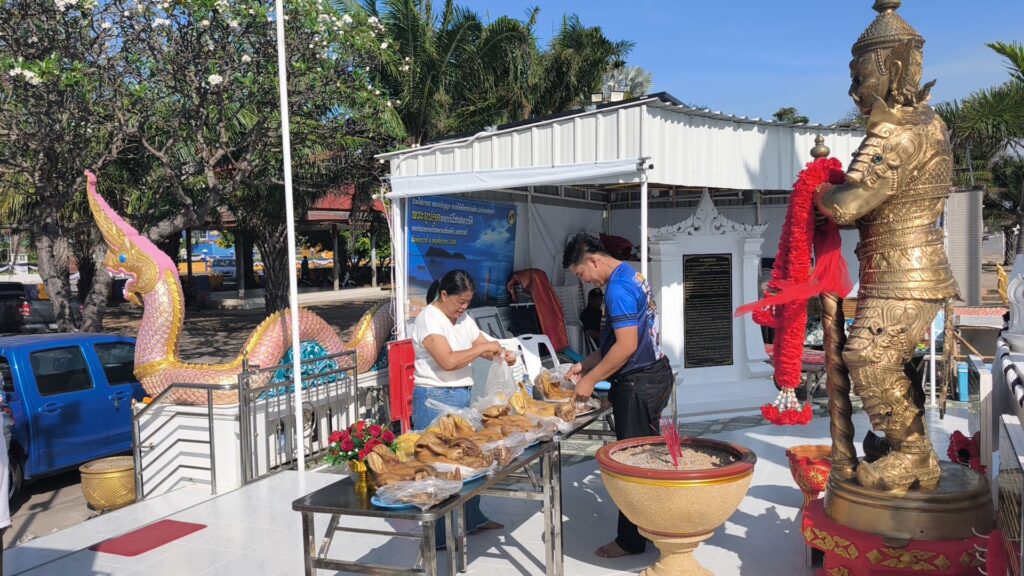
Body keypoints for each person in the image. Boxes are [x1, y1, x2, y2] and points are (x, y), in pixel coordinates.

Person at [814, 1, 956, 492]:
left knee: (868, 357)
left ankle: (912, 453)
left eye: (861, 77)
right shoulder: (919, 123)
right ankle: (901, 442)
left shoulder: (900, 132)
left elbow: (848, 206)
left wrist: (817, 189)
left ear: (893, 67)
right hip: (893, 267)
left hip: (907, 271)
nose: (855, 90)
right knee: (886, 359)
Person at [562, 233, 673, 558]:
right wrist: (584, 366)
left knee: (631, 463)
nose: (584, 280)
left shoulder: (618, 290)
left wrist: (590, 381)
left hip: (639, 383)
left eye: (581, 273)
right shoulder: (629, 275)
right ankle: (650, 525)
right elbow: (614, 343)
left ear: (593, 260)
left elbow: (625, 348)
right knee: (645, 456)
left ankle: (631, 540)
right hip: (652, 374)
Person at [412, 269, 515, 548]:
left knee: (468, 460)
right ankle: (438, 536)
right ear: (444, 295)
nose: (464, 307)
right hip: (434, 397)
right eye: (460, 302)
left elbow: (482, 343)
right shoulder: (428, 319)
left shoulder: (463, 318)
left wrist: (501, 353)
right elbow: (447, 361)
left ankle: (472, 519)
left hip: (461, 396)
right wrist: (481, 350)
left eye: (468, 302)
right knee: (437, 466)